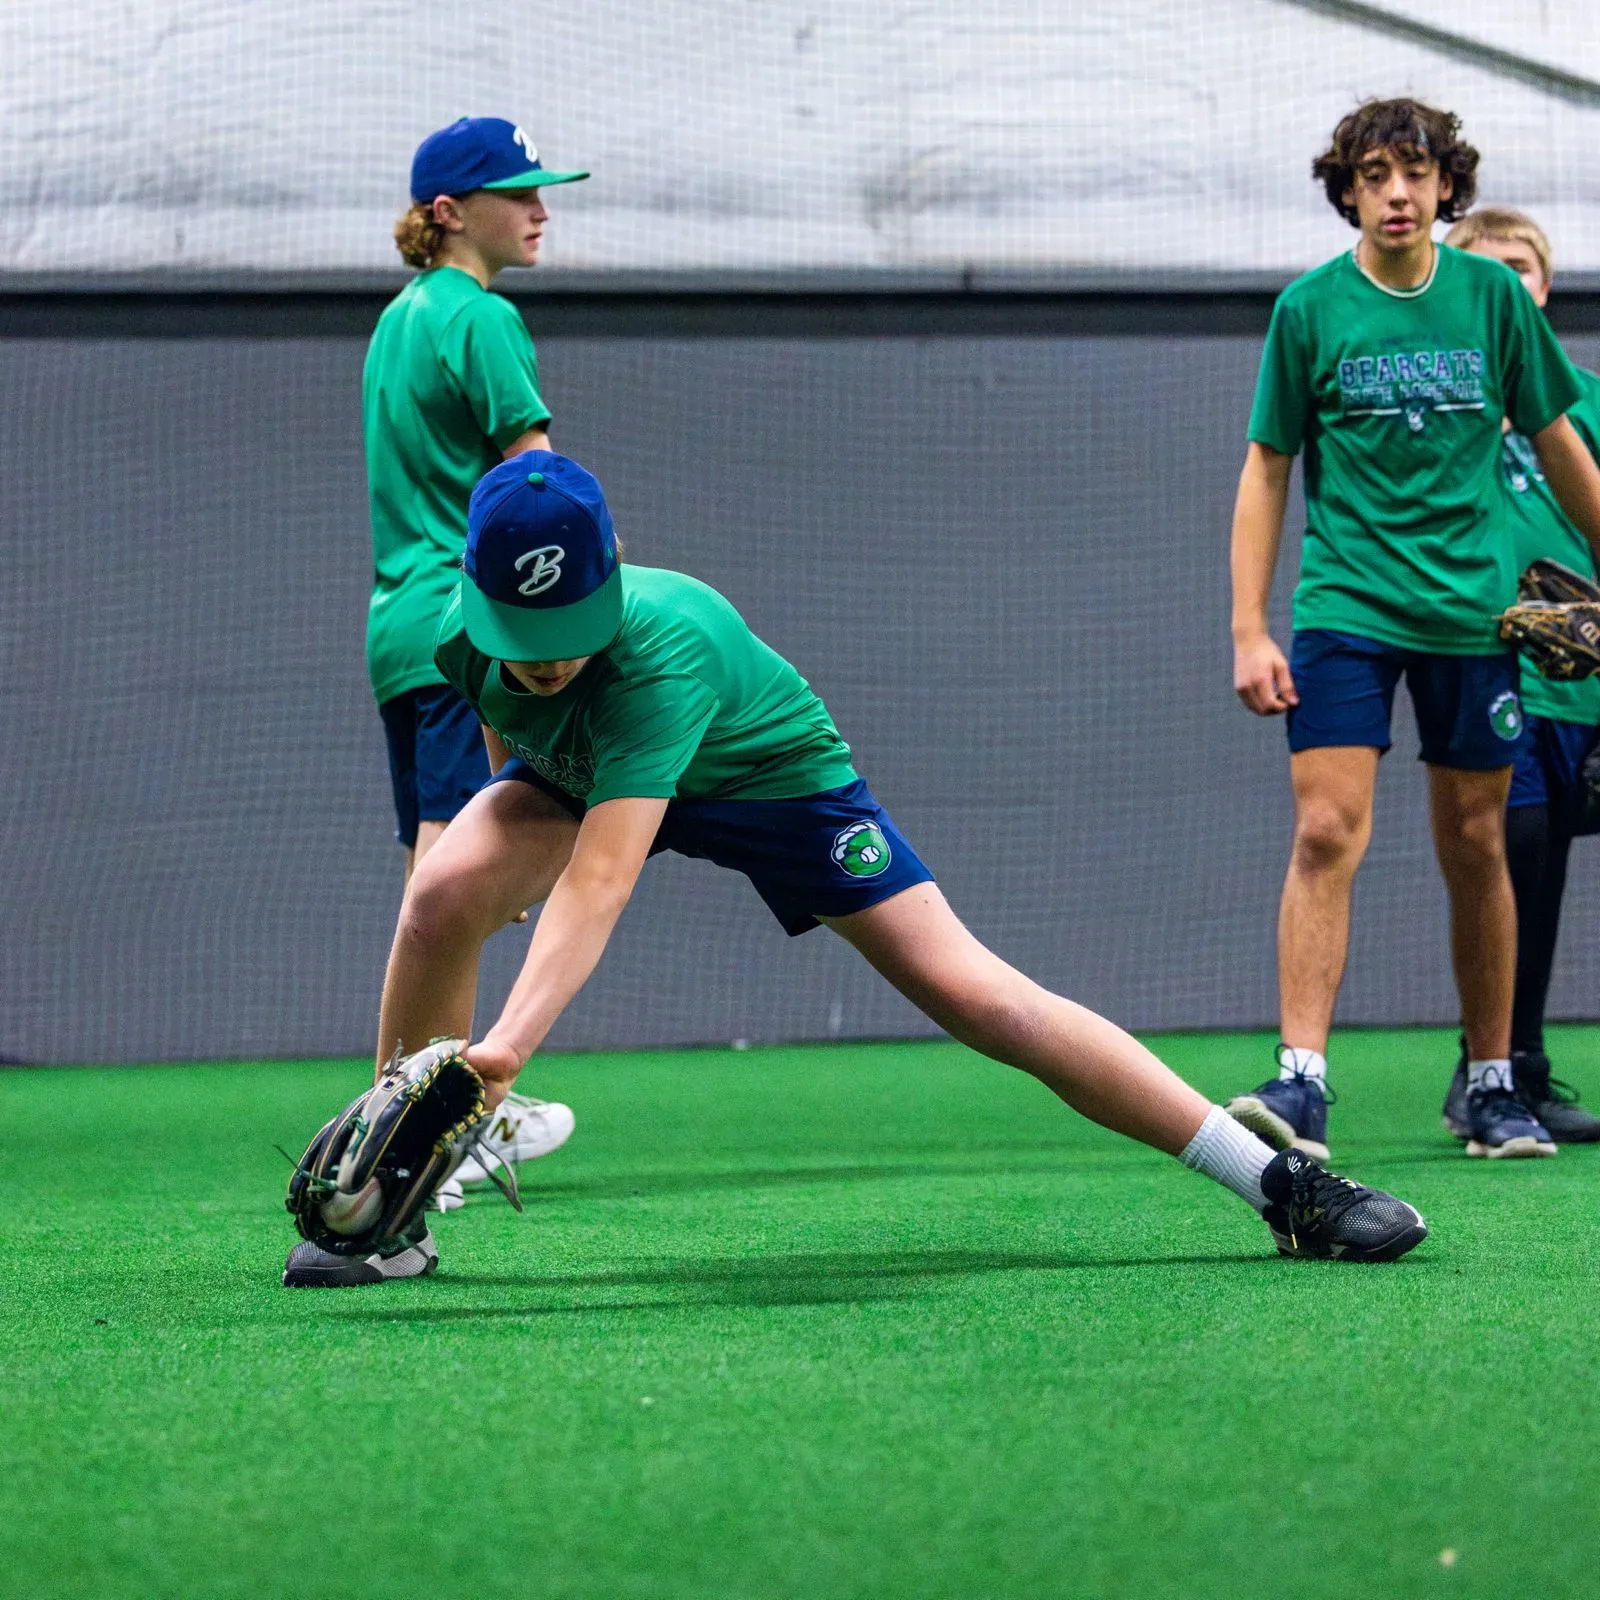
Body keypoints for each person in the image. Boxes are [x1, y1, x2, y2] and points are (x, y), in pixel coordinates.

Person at [280, 450, 1428, 1287]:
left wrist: (505, 1050)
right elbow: (514, 736)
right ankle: (381, 1209)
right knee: (441, 892)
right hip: (588, 775)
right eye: (521, 639)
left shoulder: (664, 652)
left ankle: (1275, 1183)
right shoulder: (464, 633)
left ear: (613, 579)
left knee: (980, 996)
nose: (542, 660)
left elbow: (602, 879)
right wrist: (505, 871)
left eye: (567, 632)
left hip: (771, 783)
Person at [1223, 98, 1600, 1162]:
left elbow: (1559, 444)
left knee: (1478, 841)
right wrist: (1249, 627)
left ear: (1446, 188)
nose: (1397, 192)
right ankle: (1300, 1083)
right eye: (1375, 175)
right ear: (1347, 190)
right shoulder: (1308, 309)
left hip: (1472, 618)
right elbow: (1266, 467)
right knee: (1324, 831)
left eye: (1416, 173)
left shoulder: (1492, 299)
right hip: (1346, 609)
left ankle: (1493, 1084)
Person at [364, 116, 590, 1187]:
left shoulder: (398, 320)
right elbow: (534, 495)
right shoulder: (483, 318)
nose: (540, 211)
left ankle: (410, 1117)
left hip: (398, 632)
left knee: (435, 883)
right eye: (519, 193)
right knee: (457, 889)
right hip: (469, 633)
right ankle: (432, 1131)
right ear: (452, 212)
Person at [1437, 207, 1600, 1143]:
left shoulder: (1582, 402)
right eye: (1490, 267)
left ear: (1544, 286)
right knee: (1519, 850)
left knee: (1549, 861)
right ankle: (1493, 1068)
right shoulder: (1444, 406)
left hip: (1582, 681)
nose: (1510, 283)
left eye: (1524, 267)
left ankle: (1516, 1071)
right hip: (1492, 671)